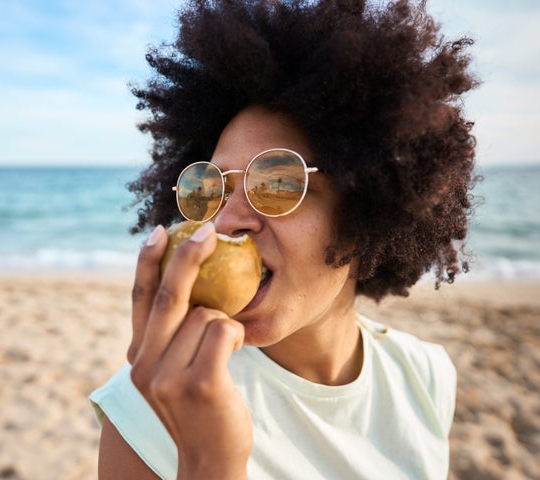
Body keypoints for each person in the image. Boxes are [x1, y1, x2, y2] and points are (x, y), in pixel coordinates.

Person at [90, 0, 477, 478]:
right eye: (210, 188)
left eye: (278, 182)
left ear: (366, 207)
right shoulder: (147, 413)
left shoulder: (424, 376)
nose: (225, 221)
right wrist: (210, 464)